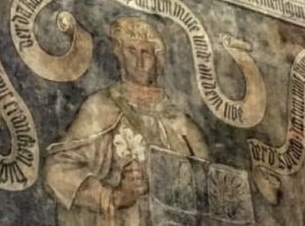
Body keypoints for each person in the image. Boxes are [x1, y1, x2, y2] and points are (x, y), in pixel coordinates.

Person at [44, 16, 208, 225]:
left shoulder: (184, 126)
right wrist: (114, 196)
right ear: (119, 54)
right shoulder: (101, 106)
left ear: (157, 59)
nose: (139, 62)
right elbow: (57, 171)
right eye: (132, 51)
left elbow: (206, 190)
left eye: (146, 52)